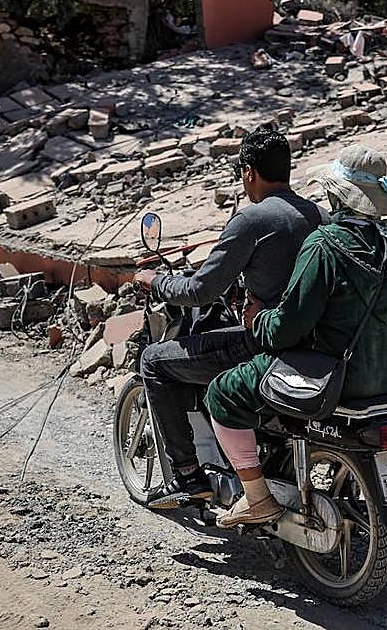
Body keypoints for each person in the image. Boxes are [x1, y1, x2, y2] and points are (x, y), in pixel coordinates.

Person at [203, 145, 387, 527]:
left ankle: (257, 497)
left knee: (222, 392)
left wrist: (257, 320)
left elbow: (288, 326)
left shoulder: (325, 245)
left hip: (335, 378)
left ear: (337, 195)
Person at [136, 127, 322, 509]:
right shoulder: (318, 214)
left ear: (248, 173)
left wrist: (157, 282)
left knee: (153, 362)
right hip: (314, 341)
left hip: (265, 342)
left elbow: (200, 291)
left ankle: (187, 477)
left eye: (242, 173)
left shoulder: (251, 220)